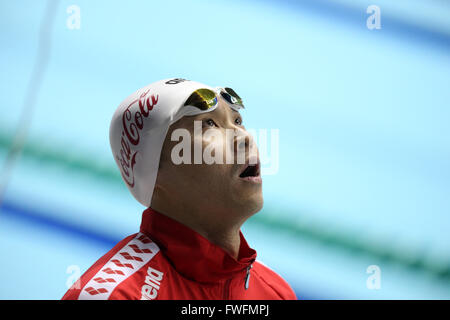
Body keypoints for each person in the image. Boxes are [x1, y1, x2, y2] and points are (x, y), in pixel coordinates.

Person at [62, 78, 297, 300]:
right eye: (209, 124)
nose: (244, 137)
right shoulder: (115, 294)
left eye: (237, 121)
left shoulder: (274, 291)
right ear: (153, 172)